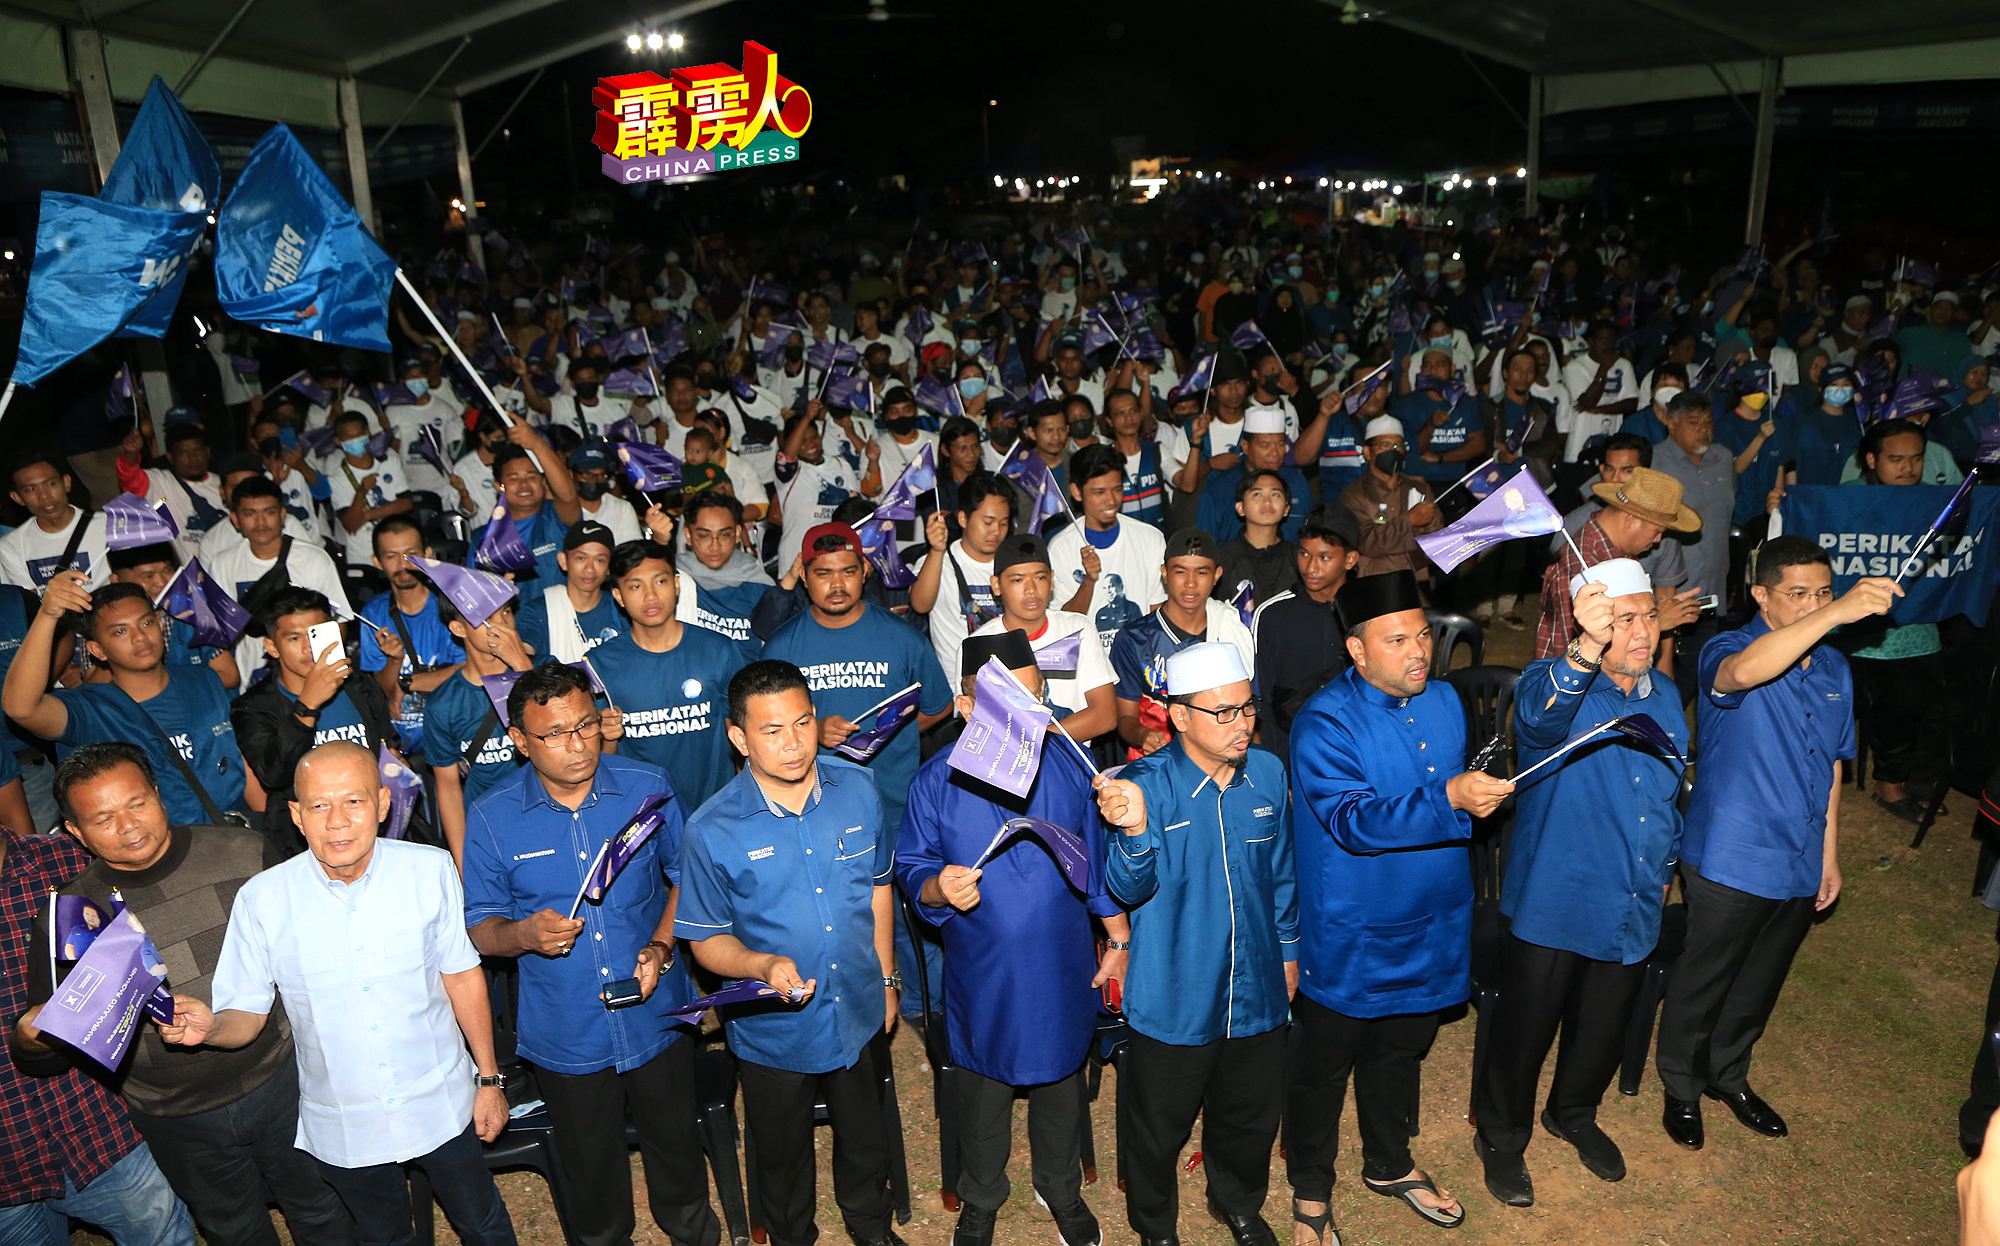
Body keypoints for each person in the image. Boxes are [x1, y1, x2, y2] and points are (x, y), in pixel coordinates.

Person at [160, 742, 517, 1246]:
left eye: (353, 801)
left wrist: (489, 1080)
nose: (337, 821)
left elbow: (461, 975)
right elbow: (246, 1010)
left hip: (442, 1097)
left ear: (383, 805)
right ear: (297, 816)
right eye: (319, 805)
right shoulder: (263, 900)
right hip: (345, 1120)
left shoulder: (429, 869)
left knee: (482, 1222)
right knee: (385, 1237)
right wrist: (211, 1027)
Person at [9, 744, 349, 1246]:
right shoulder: (70, 918)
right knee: (233, 1229)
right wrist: (32, 1037)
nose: (128, 826)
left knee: (323, 1207)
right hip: (174, 1113)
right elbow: (44, 1049)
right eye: (103, 818)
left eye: (137, 803)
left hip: (283, 1079)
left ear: (158, 794)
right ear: (76, 832)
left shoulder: (245, 853)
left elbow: (315, 958)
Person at [1284, 570, 1512, 1235]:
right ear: (1357, 650)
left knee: (1399, 1050)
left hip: (1437, 917)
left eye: (1422, 635)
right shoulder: (1323, 723)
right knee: (1323, 1069)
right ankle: (1310, 1193)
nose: (1419, 652)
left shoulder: (1442, 700)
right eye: (1396, 640)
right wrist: (1450, 799)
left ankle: (1388, 1162)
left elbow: (1453, 787)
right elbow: (1354, 822)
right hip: (1354, 928)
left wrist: (1479, 793)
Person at [463, 664, 719, 1246]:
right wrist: (524, 935)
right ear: (521, 742)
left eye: (585, 725)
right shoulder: (492, 817)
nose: (577, 745)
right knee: (592, 1181)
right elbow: (480, 930)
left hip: (657, 1015)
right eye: (554, 734)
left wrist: (660, 944)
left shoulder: (646, 785)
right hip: (566, 1029)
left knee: (678, 1157)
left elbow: (685, 879)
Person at [895, 630, 1129, 1246]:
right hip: (983, 970)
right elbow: (912, 866)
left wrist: (1118, 941)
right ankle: (980, 1199)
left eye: (1037, 700)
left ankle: (1061, 1190)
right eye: (1008, 704)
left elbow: (1099, 864)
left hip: (1060, 958)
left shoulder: (1069, 767)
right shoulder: (934, 782)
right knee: (982, 1090)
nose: (1028, 718)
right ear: (968, 706)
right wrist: (939, 888)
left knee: (1059, 1081)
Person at [1655, 536, 1889, 1148]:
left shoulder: (1835, 667)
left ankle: (1727, 1075)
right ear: (1761, 594)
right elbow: (1743, 674)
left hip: (1800, 855)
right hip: (1733, 853)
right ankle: (1679, 1087)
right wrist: (1834, 614)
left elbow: (1834, 768)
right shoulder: (1728, 648)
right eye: (1798, 594)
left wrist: (1829, 856)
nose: (1815, 604)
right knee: (1705, 975)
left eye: (1823, 592)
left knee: (1759, 980)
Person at [1471, 562, 1688, 1206]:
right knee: (1525, 1030)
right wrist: (1586, 646)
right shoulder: (1555, 683)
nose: (1643, 632)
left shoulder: (1665, 695)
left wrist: (1666, 860)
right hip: (1557, 896)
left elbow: (1670, 790)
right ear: (1592, 624)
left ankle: (1573, 1112)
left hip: (1633, 894)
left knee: (1602, 1025)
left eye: (1648, 616)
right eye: (1624, 620)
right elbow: (1536, 722)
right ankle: (1501, 1138)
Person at [676, 661, 903, 1246]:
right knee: (780, 1161)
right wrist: (760, 965)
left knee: (866, 1139)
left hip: (857, 1006)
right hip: (774, 1029)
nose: (793, 742)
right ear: (739, 738)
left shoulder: (857, 788)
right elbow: (704, 940)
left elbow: (880, 888)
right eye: (772, 730)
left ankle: (870, 1228)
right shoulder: (711, 828)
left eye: (802, 723)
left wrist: (887, 979)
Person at [1094, 641, 1296, 1246]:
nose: (1243, 724)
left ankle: (1237, 1203)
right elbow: (1126, 886)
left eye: (1248, 707)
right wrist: (1131, 831)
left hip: (1257, 980)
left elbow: (1282, 871)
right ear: (1179, 716)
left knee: (1251, 1112)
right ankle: (1155, 1227)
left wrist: (1287, 953)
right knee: (1157, 1125)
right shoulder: (1141, 787)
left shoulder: (1267, 772)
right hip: (1176, 989)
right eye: (1224, 712)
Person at [760, 524, 953, 851]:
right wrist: (813, 731)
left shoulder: (903, 639)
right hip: (813, 807)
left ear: (864, 571)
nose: (837, 584)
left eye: (848, 571)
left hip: (894, 804)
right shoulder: (781, 647)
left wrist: (895, 732)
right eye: (823, 573)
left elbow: (939, 707)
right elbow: (765, 730)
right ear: (804, 576)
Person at [4, 575, 245, 828]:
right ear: (97, 650)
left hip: (233, 839)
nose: (139, 637)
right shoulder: (91, 710)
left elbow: (237, 761)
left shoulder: (204, 680)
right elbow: (21, 708)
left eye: (146, 623)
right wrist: (47, 615)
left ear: (160, 626)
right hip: (152, 854)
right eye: (120, 631)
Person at [1831, 420, 1951, 821]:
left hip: (1917, 632)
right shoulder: (1841, 500)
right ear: (1871, 459)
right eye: (1896, 459)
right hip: (1851, 637)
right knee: (1877, 705)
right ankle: (1882, 783)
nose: (1908, 468)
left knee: (1921, 706)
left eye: (1916, 459)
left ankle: (1903, 781)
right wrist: (1782, 507)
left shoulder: (1938, 504)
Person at [232, 587, 399, 850]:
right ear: (272, 647)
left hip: (375, 833)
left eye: (315, 634)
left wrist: (393, 761)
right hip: (303, 846)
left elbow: (386, 743)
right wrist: (307, 704)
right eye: (294, 638)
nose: (309, 647)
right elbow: (275, 775)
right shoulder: (252, 707)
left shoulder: (358, 686)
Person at [592, 539, 746, 812]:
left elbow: (741, 736)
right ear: (618, 596)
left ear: (676, 585)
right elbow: (601, 761)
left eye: (660, 582)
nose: (650, 596)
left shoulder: (718, 649)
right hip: (640, 817)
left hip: (717, 811)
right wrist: (607, 736)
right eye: (636, 586)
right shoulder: (599, 665)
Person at [421, 563, 535, 861]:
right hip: (489, 834)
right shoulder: (444, 703)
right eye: (486, 617)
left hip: (549, 821)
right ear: (458, 629)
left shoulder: (543, 671)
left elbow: (555, 729)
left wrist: (522, 666)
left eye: (507, 613)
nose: (503, 625)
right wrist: (462, 863)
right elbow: (447, 788)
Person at [1111, 530, 1255, 759]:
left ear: (1217, 574)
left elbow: (1249, 711)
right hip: (1158, 765)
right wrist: (1142, 734)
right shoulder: (1134, 638)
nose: (1190, 583)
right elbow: (1124, 718)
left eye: (1201, 572)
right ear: (1165, 573)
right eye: (1180, 571)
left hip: (1223, 760)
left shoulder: (1231, 631)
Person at [1534, 467, 1700, 662]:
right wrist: (1655, 623)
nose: (1658, 540)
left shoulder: (1615, 553)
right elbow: (1578, 652)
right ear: (1631, 520)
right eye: (1657, 531)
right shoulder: (1581, 567)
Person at [204, 476, 352, 692]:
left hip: (311, 674)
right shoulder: (223, 564)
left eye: (269, 512)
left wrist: (324, 672)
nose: (261, 522)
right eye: (249, 514)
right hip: (253, 680)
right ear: (235, 519)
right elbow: (217, 631)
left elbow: (337, 621)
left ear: (282, 515)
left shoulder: (314, 559)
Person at [969, 535, 1118, 742]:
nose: (1031, 590)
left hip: (1072, 764)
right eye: (1018, 580)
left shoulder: (1078, 627)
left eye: (1040, 577)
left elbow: (1105, 716)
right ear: (996, 585)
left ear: (1052, 580)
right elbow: (978, 727)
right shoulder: (978, 645)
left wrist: (1033, 743)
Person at [1251, 505, 1361, 765]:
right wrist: (1275, 767)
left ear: (1350, 560)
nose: (1311, 567)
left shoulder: (1367, 614)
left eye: (1324, 557)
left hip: (1355, 746)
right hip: (1290, 748)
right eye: (1304, 554)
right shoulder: (1273, 614)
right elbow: (1261, 698)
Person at [1650, 391, 1734, 697]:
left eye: (1709, 422)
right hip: (1668, 596)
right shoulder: (1653, 461)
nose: (1704, 429)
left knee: (1702, 677)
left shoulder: (1723, 459)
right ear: (1671, 424)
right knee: (1666, 680)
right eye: (1693, 422)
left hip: (1712, 593)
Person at [1048, 444, 1168, 654]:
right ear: (1077, 492)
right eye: (1099, 492)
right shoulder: (1061, 548)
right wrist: (1089, 581)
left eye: (1117, 489)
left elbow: (1157, 611)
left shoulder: (1150, 538)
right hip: (1089, 666)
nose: (1111, 500)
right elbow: (1063, 625)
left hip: (1139, 661)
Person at [358, 518, 465, 752]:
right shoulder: (373, 614)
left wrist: (406, 684)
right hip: (399, 741)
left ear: (427, 554)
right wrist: (394, 660)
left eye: (411, 553)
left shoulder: (450, 606)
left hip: (450, 735)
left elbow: (469, 671)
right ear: (377, 562)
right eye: (391, 556)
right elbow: (382, 692)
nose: (403, 564)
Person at [909, 471, 1014, 681]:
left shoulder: (1013, 563)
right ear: (963, 518)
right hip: (957, 692)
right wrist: (937, 550)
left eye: (1004, 523)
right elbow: (920, 605)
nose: (996, 531)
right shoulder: (939, 562)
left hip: (1010, 685)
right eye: (988, 522)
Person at [1551, 434, 1688, 592]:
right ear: (1601, 470)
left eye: (1627, 471)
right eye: (1610, 469)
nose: (1615, 479)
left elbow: (1666, 593)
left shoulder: (1659, 527)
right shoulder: (1572, 526)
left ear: (1645, 474)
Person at [464, 427, 585, 599]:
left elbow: (568, 497)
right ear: (499, 486)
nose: (524, 485)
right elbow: (476, 595)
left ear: (543, 482)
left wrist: (536, 444)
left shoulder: (556, 517)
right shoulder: (483, 537)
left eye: (531, 477)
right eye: (514, 478)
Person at [107, 543, 239, 691]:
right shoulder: (105, 624)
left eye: (168, 570)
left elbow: (229, 676)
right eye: (148, 576)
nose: (162, 582)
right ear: (116, 580)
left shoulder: (194, 614)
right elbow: (96, 688)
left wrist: (165, 689)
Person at [1339, 416, 1441, 576]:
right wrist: (1410, 521)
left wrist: (1388, 542)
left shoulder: (1419, 488)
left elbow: (1437, 541)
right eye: (1384, 445)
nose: (1392, 450)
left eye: (1397, 445)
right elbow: (1366, 543)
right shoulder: (1353, 494)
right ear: (1367, 452)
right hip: (1372, 583)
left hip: (1416, 584)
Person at [679, 492, 772, 661]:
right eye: (704, 535)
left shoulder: (759, 585)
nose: (715, 546)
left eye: (724, 535)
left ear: (737, 533)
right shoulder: (675, 578)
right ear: (688, 535)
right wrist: (659, 541)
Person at [515, 521, 625, 662]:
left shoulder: (621, 610)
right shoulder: (539, 611)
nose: (589, 569)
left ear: (610, 566)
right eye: (581, 558)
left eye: (600, 560)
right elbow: (521, 656)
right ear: (563, 561)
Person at [1196, 409, 1309, 546]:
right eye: (1265, 446)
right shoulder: (1219, 489)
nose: (1274, 453)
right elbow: (1205, 545)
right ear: (1246, 447)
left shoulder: (1297, 480)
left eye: (1280, 445)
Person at [0, 455, 112, 591]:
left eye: (51, 484)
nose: (44, 496)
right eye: (31, 489)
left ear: (66, 483)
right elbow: (30, 603)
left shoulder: (110, 526)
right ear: (18, 498)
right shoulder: (11, 547)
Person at [324, 410, 415, 568]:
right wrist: (361, 492)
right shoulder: (336, 479)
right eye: (349, 438)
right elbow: (351, 524)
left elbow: (406, 503)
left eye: (359, 435)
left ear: (367, 432)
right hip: (363, 555)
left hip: (397, 548)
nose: (356, 440)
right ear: (338, 441)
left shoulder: (389, 460)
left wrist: (366, 516)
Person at [1217, 469, 1300, 609]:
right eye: (1257, 494)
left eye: (1275, 494)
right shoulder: (1223, 558)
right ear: (1240, 508)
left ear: (1286, 509)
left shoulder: (1298, 558)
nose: (1267, 502)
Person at [1559, 320, 1641, 462]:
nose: (1609, 344)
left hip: (1611, 440)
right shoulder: (1575, 367)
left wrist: (1598, 410)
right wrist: (1604, 368)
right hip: (1580, 441)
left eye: (1612, 339)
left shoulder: (1624, 365)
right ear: (1591, 341)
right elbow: (1588, 401)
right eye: (1603, 339)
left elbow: (1631, 403)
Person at [567, 443, 646, 546]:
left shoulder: (622, 509)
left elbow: (632, 552)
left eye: (601, 475)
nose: (595, 479)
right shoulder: (562, 509)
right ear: (571, 474)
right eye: (587, 474)